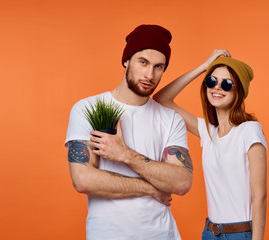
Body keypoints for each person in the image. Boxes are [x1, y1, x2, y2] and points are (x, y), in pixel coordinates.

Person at [65, 24, 193, 240]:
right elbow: (83, 179)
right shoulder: (88, 108)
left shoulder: (171, 119)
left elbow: (181, 182)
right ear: (126, 60)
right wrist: (151, 188)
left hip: (162, 235)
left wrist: (124, 153)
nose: (149, 74)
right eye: (143, 62)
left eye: (158, 66)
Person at [153, 49, 267, 240]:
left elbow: (260, 196)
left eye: (227, 84)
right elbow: (161, 99)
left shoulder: (250, 131)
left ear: (239, 91)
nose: (217, 88)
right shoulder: (208, 131)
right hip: (210, 233)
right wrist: (204, 67)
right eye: (211, 81)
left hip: (239, 234)